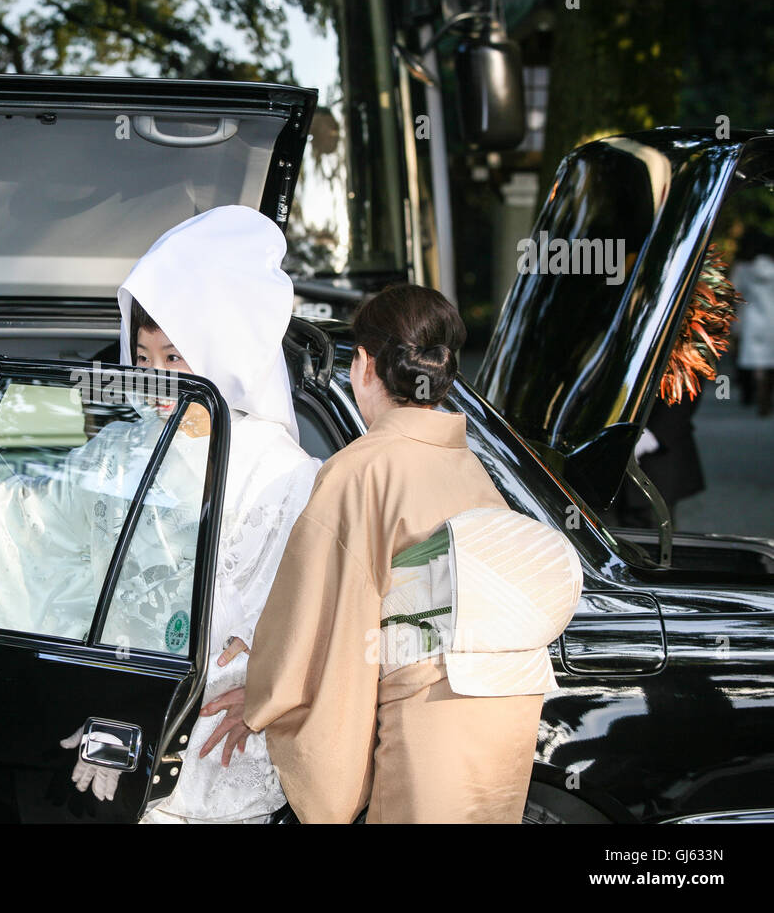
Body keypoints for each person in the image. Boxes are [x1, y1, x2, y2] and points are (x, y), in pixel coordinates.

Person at [0, 204, 320, 822]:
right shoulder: (123, 448)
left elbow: (295, 615)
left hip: (212, 744)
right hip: (106, 729)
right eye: (144, 359)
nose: (156, 380)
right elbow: (33, 516)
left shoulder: (278, 472)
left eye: (175, 358)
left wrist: (256, 686)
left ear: (225, 353)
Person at [243, 284, 580, 823]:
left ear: (363, 365)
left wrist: (261, 694)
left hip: (430, 718)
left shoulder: (361, 470)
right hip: (506, 715)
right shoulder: (468, 466)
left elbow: (314, 621)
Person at [733, 228, 774, 416]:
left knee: (757, 361)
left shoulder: (743, 268)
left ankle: (756, 387)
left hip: (751, 318)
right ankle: (767, 391)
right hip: (771, 318)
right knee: (771, 359)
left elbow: (733, 293)